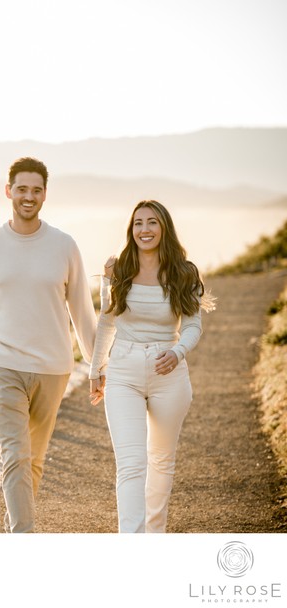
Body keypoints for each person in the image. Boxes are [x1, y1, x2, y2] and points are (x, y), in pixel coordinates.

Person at [0, 157, 96, 533]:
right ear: (8, 191)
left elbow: (82, 311)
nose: (29, 197)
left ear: (45, 194)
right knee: (15, 456)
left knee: (34, 461)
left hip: (52, 368)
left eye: (37, 190)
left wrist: (97, 365)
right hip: (2, 365)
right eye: (22, 189)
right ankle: (23, 537)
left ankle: (19, 525)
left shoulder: (63, 245)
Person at [89, 200, 214, 533]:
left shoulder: (183, 272)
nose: (144, 229)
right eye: (138, 223)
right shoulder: (118, 269)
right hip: (123, 371)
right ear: (131, 230)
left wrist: (178, 352)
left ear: (164, 228)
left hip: (168, 373)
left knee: (161, 462)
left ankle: (153, 538)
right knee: (131, 464)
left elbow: (192, 325)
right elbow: (106, 321)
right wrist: (95, 369)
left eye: (152, 223)